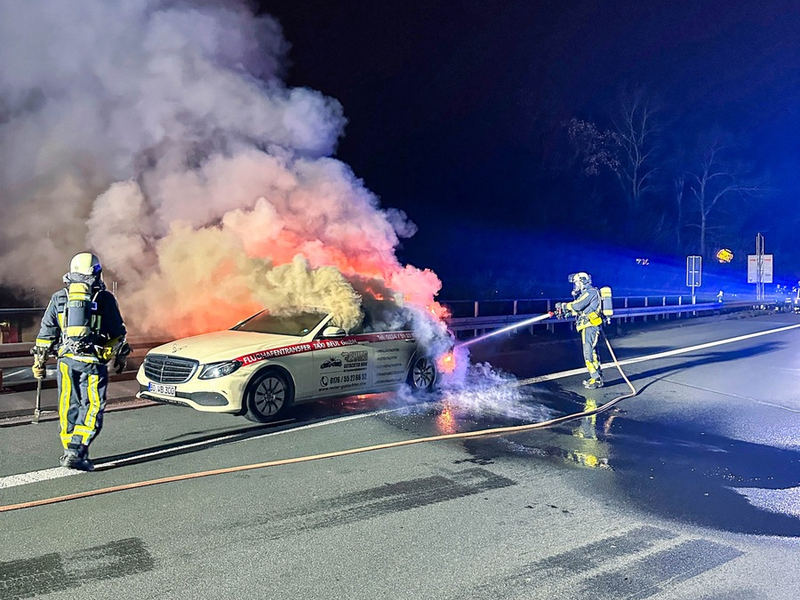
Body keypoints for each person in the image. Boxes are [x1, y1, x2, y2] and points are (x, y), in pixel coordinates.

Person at [32, 252, 129, 471]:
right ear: (97, 272)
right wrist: (119, 356)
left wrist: (39, 363)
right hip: (93, 362)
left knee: (68, 404)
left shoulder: (59, 297)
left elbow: (46, 334)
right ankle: (77, 449)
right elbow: (118, 333)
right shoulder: (104, 299)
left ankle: (69, 449)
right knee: (92, 405)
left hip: (66, 361)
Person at [554, 272, 604, 389]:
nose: (575, 285)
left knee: (588, 353)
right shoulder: (586, 294)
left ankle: (596, 379)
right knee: (592, 353)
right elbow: (580, 310)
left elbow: (577, 306)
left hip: (590, 326)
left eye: (577, 282)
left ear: (583, 281)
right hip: (587, 326)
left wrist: (563, 305)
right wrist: (567, 312)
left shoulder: (590, 292)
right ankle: (596, 377)